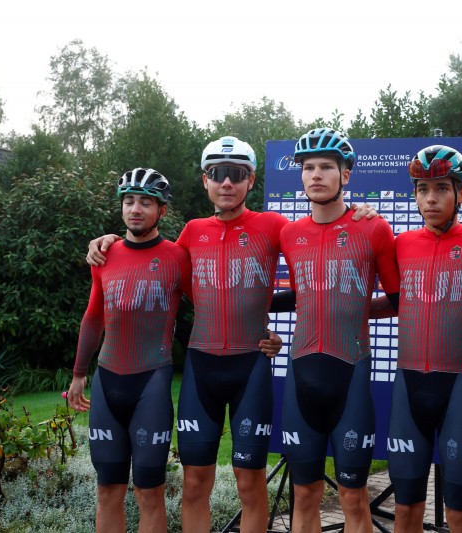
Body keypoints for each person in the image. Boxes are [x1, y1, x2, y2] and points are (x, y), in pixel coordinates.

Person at [86, 136, 376, 533]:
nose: (226, 183)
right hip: (201, 368)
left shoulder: (276, 227)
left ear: (250, 180)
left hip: (250, 367)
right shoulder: (190, 232)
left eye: (235, 174)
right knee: (194, 483)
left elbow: (315, 274)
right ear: (205, 181)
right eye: (218, 174)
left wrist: (360, 210)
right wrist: (109, 241)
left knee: (249, 483)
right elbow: (150, 254)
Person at [273, 127, 402, 533]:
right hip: (302, 375)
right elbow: (300, 296)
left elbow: (399, 300)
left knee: (353, 497)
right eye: (308, 167)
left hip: (352, 373)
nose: (316, 174)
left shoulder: (374, 228)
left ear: (345, 175)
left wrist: (361, 309)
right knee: (305, 494)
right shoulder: (289, 234)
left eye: (327, 166)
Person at [384, 145, 462, 533]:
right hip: (409, 384)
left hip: (460, 386)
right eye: (422, 189)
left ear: (461, 193)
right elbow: (397, 302)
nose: (430, 198)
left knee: (460, 511)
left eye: (440, 188)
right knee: (405, 509)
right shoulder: (401, 245)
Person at [67, 168, 192, 533]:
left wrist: (259, 331)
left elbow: (211, 304)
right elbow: (93, 318)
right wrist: (78, 375)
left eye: (145, 202)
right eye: (129, 201)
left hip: (150, 384)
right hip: (107, 383)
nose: (135, 209)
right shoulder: (105, 255)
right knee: (107, 490)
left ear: (161, 211)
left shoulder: (177, 257)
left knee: (149, 492)